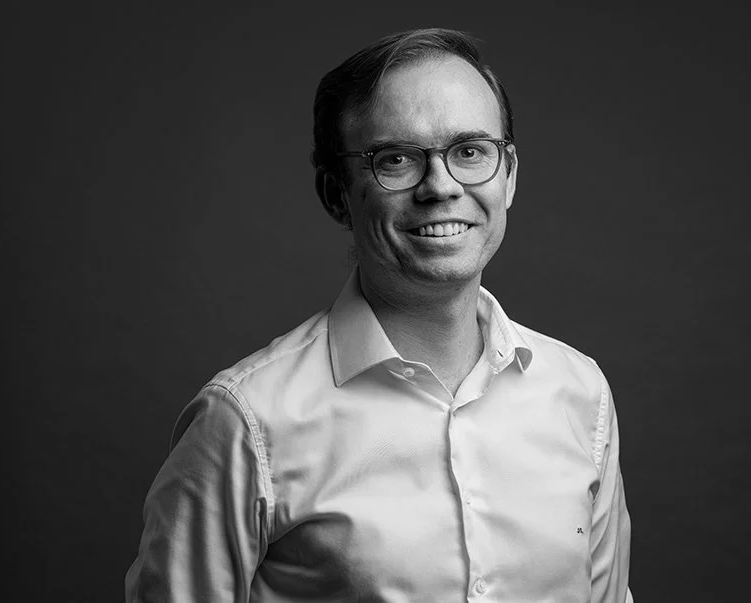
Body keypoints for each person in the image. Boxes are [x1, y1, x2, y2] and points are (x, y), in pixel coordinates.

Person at [125, 27, 633, 602]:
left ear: (509, 174)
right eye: (396, 159)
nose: (441, 186)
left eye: (470, 152)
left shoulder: (580, 394)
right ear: (336, 194)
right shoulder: (245, 423)